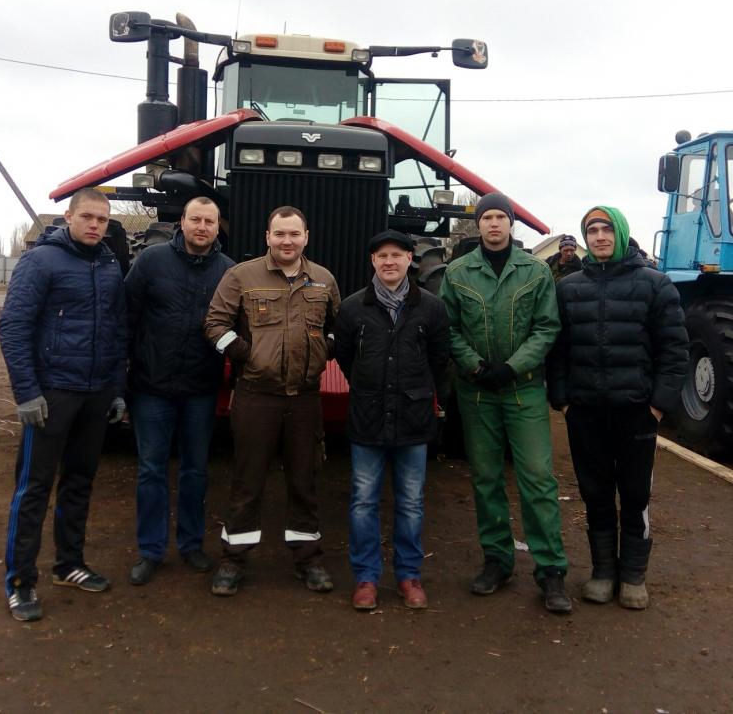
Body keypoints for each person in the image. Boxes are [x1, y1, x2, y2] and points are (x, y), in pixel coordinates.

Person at [0, 187, 128, 622]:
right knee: (34, 489)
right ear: (68, 217)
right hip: (52, 394)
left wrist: (117, 389)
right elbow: (14, 327)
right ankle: (20, 581)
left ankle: (68, 564)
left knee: (79, 482)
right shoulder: (41, 262)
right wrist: (27, 393)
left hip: (94, 394)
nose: (95, 225)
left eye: (102, 220)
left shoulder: (109, 264)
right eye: (88, 217)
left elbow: (116, 331)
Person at [549, 206, 687, 610]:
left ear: (621, 233)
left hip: (636, 411)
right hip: (586, 411)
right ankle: (603, 572)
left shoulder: (656, 285)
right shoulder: (569, 288)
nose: (599, 236)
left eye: (607, 228)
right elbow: (558, 350)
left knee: (634, 493)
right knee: (594, 492)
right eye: (591, 230)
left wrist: (658, 405)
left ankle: (633, 576)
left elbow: (675, 350)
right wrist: (563, 400)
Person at [440, 192, 572, 614]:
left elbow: (546, 327)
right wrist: (474, 365)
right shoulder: (458, 273)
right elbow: (450, 327)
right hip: (477, 390)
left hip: (523, 389)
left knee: (536, 478)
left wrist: (513, 367)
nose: (494, 224)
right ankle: (497, 560)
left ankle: (551, 570)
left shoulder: (535, 271)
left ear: (511, 224)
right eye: (487, 217)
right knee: (486, 477)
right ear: (477, 225)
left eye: (501, 217)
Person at [204, 206, 341, 597]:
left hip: (304, 401)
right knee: (247, 483)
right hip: (255, 397)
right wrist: (246, 354)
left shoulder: (323, 280)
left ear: (306, 237)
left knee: (305, 481)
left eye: (294, 234)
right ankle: (233, 560)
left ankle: (309, 559)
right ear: (268, 237)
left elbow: (338, 328)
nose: (287, 241)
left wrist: (322, 353)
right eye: (279, 234)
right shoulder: (241, 276)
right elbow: (214, 324)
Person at [334, 230, 451, 611]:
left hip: (413, 419)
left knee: (411, 503)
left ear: (409, 260)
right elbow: (346, 357)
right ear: (373, 261)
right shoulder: (353, 308)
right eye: (382, 255)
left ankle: (408, 576)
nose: (389, 262)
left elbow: (438, 359)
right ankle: (366, 578)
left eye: (397, 255)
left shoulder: (431, 308)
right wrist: (370, 389)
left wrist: (416, 392)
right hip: (367, 418)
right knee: (363, 501)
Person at [125, 197, 234, 585]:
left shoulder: (228, 272)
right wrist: (126, 377)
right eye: (195, 220)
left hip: (200, 389)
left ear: (218, 226)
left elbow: (236, 330)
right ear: (182, 223)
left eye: (209, 221)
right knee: (151, 470)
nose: (202, 227)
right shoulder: (151, 262)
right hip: (152, 386)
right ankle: (151, 550)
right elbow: (128, 316)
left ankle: (190, 545)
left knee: (195, 471)